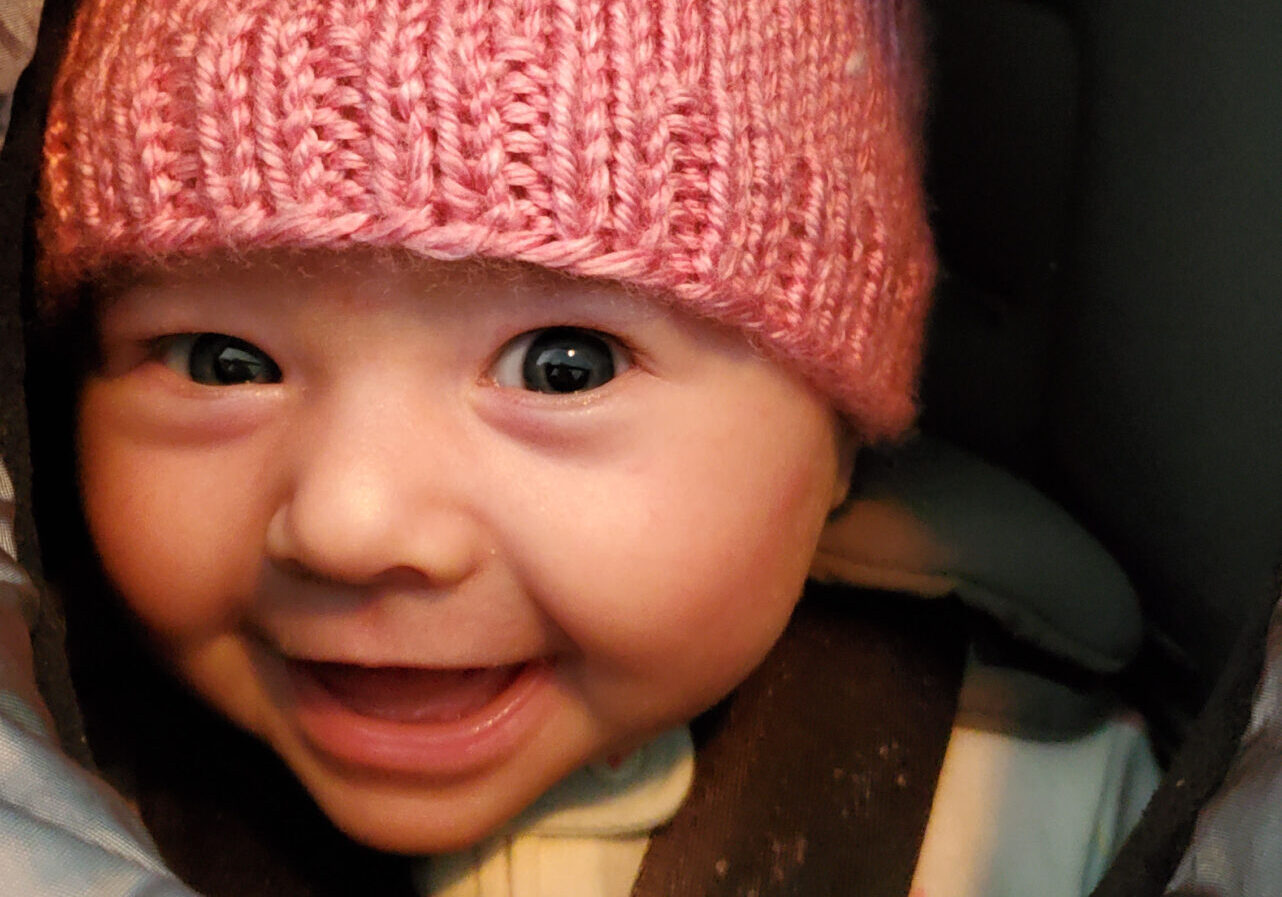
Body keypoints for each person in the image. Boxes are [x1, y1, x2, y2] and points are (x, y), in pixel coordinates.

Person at [4, 0, 1156, 894]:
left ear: (836, 440)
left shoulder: (1042, 820)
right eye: (220, 361)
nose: (350, 523)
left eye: (566, 365)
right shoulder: (52, 774)